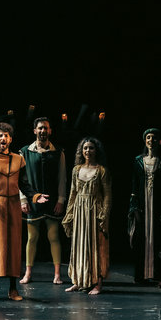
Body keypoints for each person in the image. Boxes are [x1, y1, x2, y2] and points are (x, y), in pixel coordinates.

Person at [0, 122, 48, 301]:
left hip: (13, 206)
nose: (3, 138)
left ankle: (13, 289)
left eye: (6, 136)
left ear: (10, 139)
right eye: (0, 135)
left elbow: (24, 184)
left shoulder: (18, 159)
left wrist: (35, 195)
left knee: (13, 247)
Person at [19, 117, 67, 285]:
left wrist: (61, 200)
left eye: (45, 128)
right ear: (35, 131)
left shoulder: (58, 152)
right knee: (32, 237)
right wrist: (23, 199)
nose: (43, 131)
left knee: (53, 236)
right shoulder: (25, 152)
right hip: (32, 200)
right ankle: (28, 273)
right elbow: (21, 179)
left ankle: (57, 274)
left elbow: (62, 178)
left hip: (52, 200)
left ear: (50, 131)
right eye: (40, 128)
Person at [62, 136, 112, 295]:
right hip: (79, 211)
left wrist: (104, 215)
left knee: (96, 246)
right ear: (81, 151)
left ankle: (98, 283)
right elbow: (73, 193)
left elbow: (107, 195)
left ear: (96, 151)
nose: (88, 151)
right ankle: (79, 280)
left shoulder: (101, 171)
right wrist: (69, 214)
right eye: (85, 148)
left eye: (91, 148)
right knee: (79, 245)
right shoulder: (76, 170)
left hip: (94, 211)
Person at [128, 129, 161, 285]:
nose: (151, 140)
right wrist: (134, 206)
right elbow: (135, 184)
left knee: (160, 239)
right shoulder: (138, 161)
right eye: (148, 137)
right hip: (143, 205)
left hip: (158, 206)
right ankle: (142, 276)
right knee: (142, 239)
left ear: (159, 141)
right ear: (145, 141)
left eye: (154, 138)